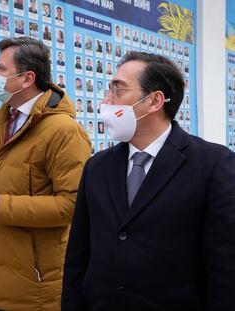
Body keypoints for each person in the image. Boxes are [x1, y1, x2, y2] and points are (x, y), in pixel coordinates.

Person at [62, 51, 235, 310]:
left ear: (155, 101)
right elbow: (78, 257)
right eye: (108, 90)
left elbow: (225, 267)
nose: (106, 101)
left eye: (118, 90)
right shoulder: (97, 167)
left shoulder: (213, 164)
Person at [0, 37, 91, 310]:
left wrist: (4, 206)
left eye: (0, 69)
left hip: (33, 289)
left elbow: (72, 205)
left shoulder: (63, 131)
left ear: (27, 78)